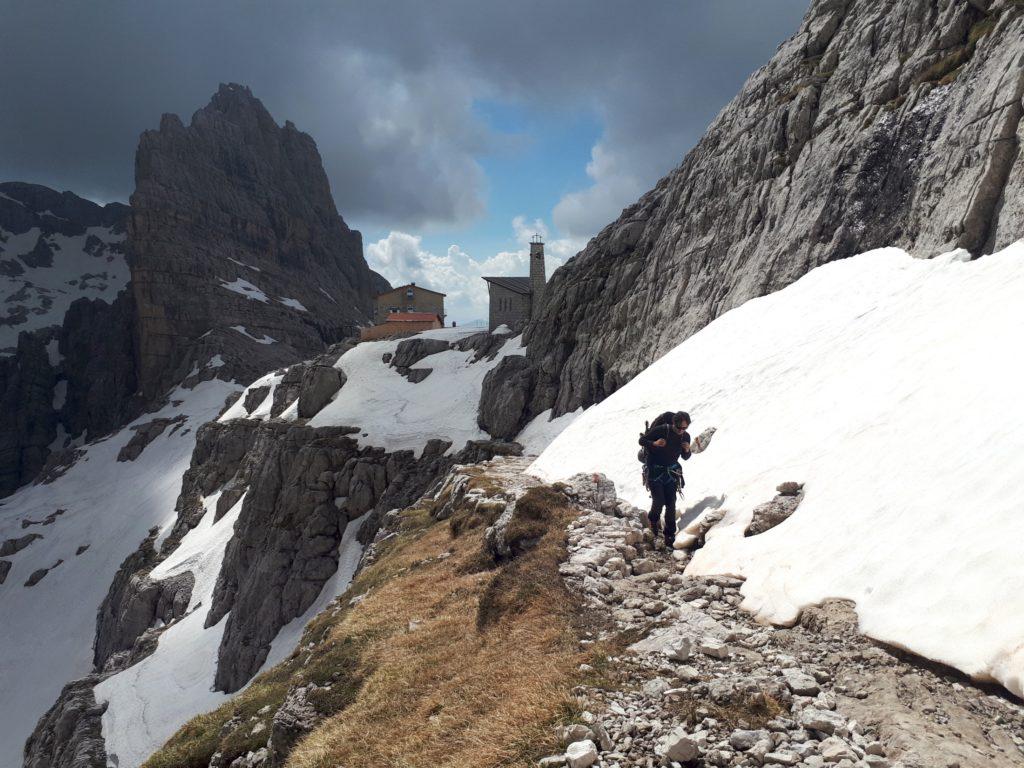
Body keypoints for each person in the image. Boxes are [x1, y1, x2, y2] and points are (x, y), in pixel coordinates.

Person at [638, 411, 692, 548]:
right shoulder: (662, 430)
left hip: (671, 472)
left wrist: (687, 450)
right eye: (679, 427)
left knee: (671, 502)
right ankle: (653, 520)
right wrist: (655, 443)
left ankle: (669, 534)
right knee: (659, 500)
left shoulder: (685, 436)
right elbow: (642, 440)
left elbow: (685, 457)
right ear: (674, 423)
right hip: (655, 470)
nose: (681, 431)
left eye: (684, 428)